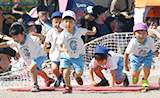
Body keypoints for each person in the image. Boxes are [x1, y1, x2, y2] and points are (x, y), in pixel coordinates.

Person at [0, 24, 55, 92]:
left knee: (32, 68)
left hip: (39, 56)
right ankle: (48, 79)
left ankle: (35, 85)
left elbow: (43, 37)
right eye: (13, 37)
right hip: (30, 59)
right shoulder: (15, 41)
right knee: (37, 71)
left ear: (23, 33)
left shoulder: (31, 38)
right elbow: (7, 44)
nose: (15, 39)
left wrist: (36, 35)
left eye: (17, 36)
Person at [56, 10, 96, 93]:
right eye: (66, 22)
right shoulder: (62, 35)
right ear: (62, 22)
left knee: (79, 73)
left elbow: (87, 32)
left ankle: (76, 76)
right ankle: (68, 86)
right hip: (66, 55)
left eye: (70, 22)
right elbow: (59, 47)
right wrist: (63, 49)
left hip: (77, 55)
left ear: (74, 22)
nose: (68, 24)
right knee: (66, 71)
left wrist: (93, 32)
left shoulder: (78, 30)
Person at [124, 22, 159, 87]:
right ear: (134, 34)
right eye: (139, 33)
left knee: (146, 70)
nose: (141, 35)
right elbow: (126, 54)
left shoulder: (149, 40)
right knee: (134, 74)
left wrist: (157, 55)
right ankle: (136, 74)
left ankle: (144, 80)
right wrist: (125, 65)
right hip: (135, 56)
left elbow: (155, 51)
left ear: (147, 33)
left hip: (147, 56)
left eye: (143, 33)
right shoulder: (133, 42)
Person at [42, 11, 65, 87]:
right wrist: (43, 51)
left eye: (60, 22)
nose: (58, 25)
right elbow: (46, 42)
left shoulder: (66, 32)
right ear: (52, 22)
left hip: (64, 53)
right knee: (54, 69)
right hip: (54, 53)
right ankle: (59, 77)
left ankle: (65, 79)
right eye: (56, 22)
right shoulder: (51, 32)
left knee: (63, 68)